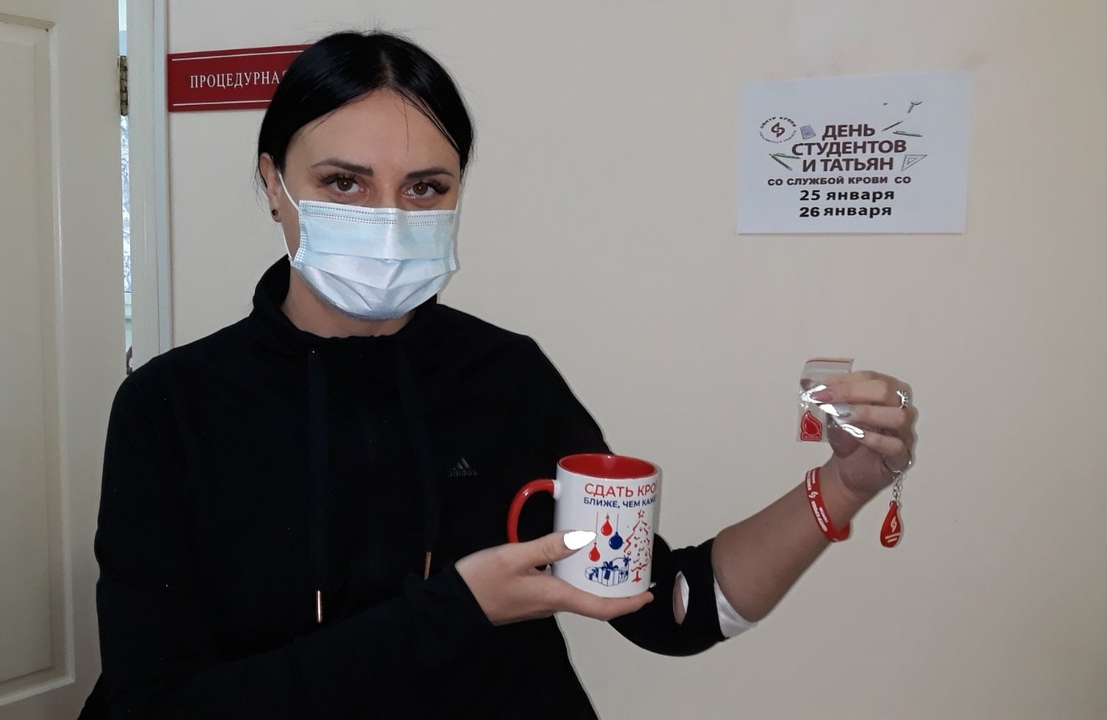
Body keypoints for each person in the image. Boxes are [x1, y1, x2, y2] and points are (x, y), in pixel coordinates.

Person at [82, 30, 917, 719]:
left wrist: (842, 486)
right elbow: (152, 703)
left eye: (425, 188)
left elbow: (668, 607)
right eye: (343, 183)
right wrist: (458, 608)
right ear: (274, 183)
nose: (388, 220)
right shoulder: (172, 406)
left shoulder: (502, 375)